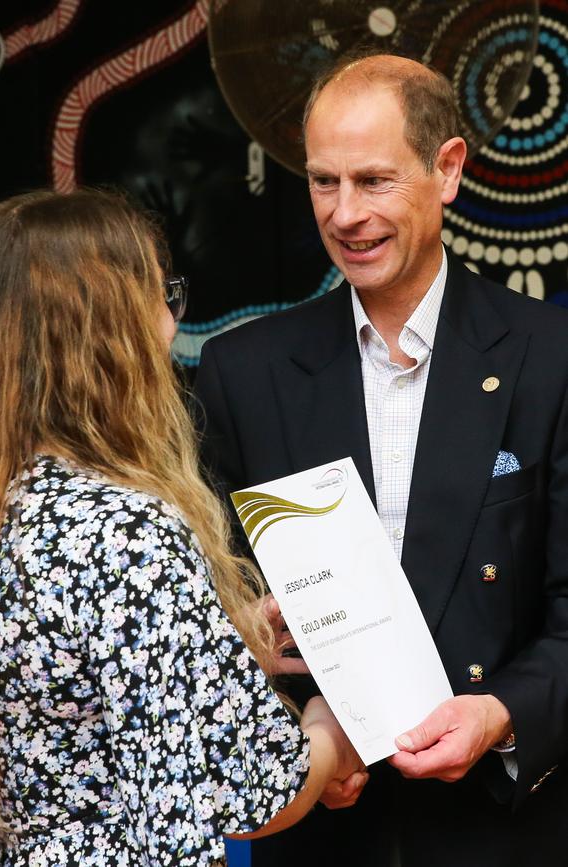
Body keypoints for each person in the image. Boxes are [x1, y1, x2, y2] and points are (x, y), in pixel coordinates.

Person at [0, 188, 368, 867]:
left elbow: (70, 695)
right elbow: (251, 790)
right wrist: (330, 730)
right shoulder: (125, 529)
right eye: (162, 297)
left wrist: (215, 645)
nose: (169, 326)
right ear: (109, 335)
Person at [195, 53, 568, 867]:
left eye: (372, 180)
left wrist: (501, 712)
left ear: (448, 170)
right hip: (321, 827)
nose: (345, 213)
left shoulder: (552, 357)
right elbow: (202, 612)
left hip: (502, 832)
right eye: (324, 182)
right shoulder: (243, 372)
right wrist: (252, 642)